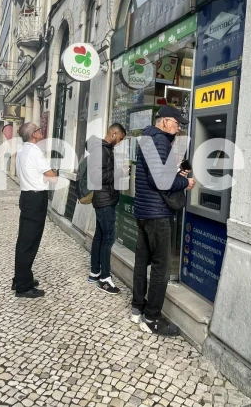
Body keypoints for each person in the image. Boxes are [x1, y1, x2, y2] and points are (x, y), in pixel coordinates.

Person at [131, 106, 195, 336]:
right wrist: (184, 183)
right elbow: (160, 181)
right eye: (177, 123)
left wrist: (176, 175)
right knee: (162, 267)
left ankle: (137, 308)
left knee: (142, 261)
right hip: (157, 213)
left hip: (144, 211)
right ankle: (152, 318)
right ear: (165, 121)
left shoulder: (147, 137)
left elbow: (154, 175)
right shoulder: (159, 140)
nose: (178, 129)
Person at [12, 122, 57, 298]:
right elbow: (51, 176)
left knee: (23, 240)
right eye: (38, 129)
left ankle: (20, 278)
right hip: (35, 199)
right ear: (33, 135)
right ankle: (24, 287)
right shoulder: (35, 151)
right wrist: (49, 177)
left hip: (26, 197)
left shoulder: (22, 151)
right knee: (29, 243)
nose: (41, 131)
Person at [86, 124, 127, 295]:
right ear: (114, 133)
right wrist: (120, 173)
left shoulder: (104, 149)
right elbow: (96, 177)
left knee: (100, 236)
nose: (121, 142)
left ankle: (95, 272)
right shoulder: (101, 150)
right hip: (104, 201)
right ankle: (104, 278)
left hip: (104, 199)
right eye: (121, 138)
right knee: (108, 238)